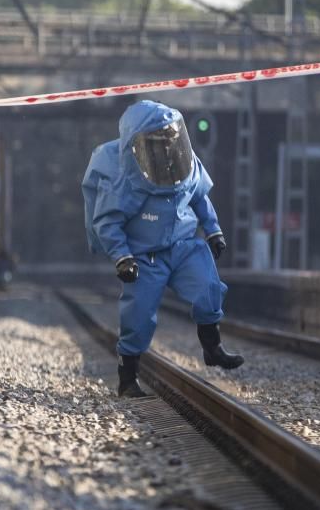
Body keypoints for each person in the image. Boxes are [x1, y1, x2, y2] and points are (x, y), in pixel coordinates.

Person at [92, 100, 244, 398]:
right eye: (155, 145)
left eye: (170, 141)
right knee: (138, 312)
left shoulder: (185, 166)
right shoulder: (126, 182)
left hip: (184, 246)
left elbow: (200, 196)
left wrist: (213, 230)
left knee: (207, 285)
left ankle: (212, 347)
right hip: (145, 256)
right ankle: (128, 377)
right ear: (134, 148)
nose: (165, 152)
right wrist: (122, 256)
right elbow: (108, 222)